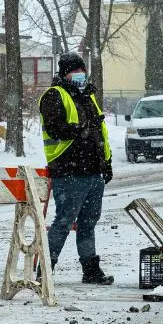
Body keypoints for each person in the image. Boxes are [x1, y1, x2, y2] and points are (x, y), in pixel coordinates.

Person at [39, 52, 114, 285]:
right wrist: (77, 130)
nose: (80, 75)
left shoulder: (88, 96)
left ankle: (90, 269)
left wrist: (107, 161)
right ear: (65, 73)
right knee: (63, 221)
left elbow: (101, 132)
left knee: (88, 223)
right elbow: (54, 128)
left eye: (82, 71)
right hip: (69, 170)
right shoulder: (54, 96)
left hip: (93, 171)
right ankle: (46, 269)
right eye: (75, 71)